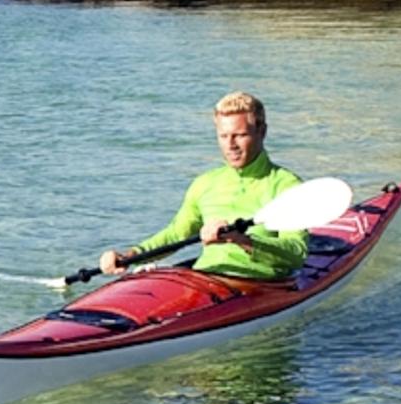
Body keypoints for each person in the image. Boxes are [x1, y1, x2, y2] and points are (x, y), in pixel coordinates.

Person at [98, 91, 306, 286]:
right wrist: (131, 255)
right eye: (223, 136)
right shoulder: (205, 183)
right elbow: (176, 234)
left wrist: (241, 239)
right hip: (205, 281)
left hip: (260, 286)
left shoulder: (286, 186)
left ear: (262, 131)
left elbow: (297, 253)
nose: (230, 145)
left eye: (239, 135)